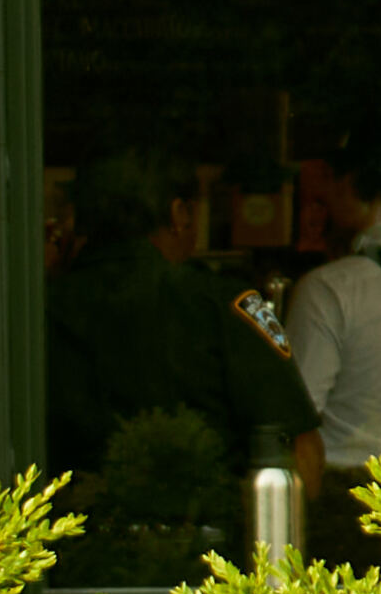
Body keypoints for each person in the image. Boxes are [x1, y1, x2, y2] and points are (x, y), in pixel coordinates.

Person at [41, 150, 315, 501]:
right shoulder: (226, 304)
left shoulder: (43, 307)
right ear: (179, 213)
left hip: (73, 535)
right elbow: (301, 450)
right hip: (208, 536)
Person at [281, 173, 381, 549]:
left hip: (348, 507)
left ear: (355, 187)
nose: (320, 203)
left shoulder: (331, 287)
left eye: (330, 186)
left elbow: (296, 417)